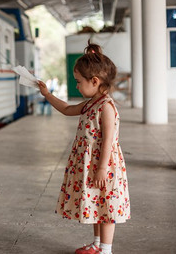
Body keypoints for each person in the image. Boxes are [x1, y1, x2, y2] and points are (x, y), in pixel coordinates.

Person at [36, 40, 130, 254]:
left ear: (95, 81)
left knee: (106, 207)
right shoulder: (90, 103)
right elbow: (68, 109)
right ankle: (96, 244)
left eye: (78, 82)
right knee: (97, 204)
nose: (76, 85)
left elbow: (108, 140)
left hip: (104, 166)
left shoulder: (106, 106)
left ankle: (106, 250)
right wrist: (47, 95)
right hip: (92, 165)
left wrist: (103, 168)